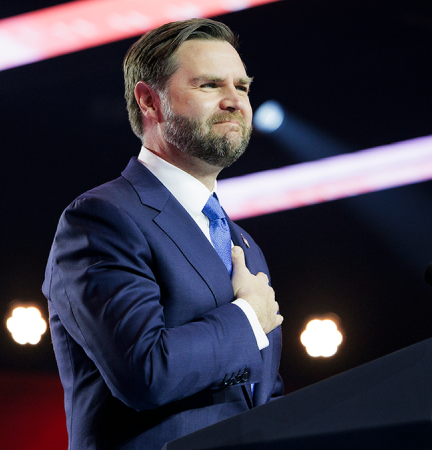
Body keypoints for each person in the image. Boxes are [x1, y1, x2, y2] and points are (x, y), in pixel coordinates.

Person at [43, 18, 283, 450]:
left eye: (242, 87)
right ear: (149, 101)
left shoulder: (243, 245)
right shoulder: (102, 219)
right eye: (210, 85)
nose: (235, 101)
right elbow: (145, 371)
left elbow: (262, 397)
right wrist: (248, 318)